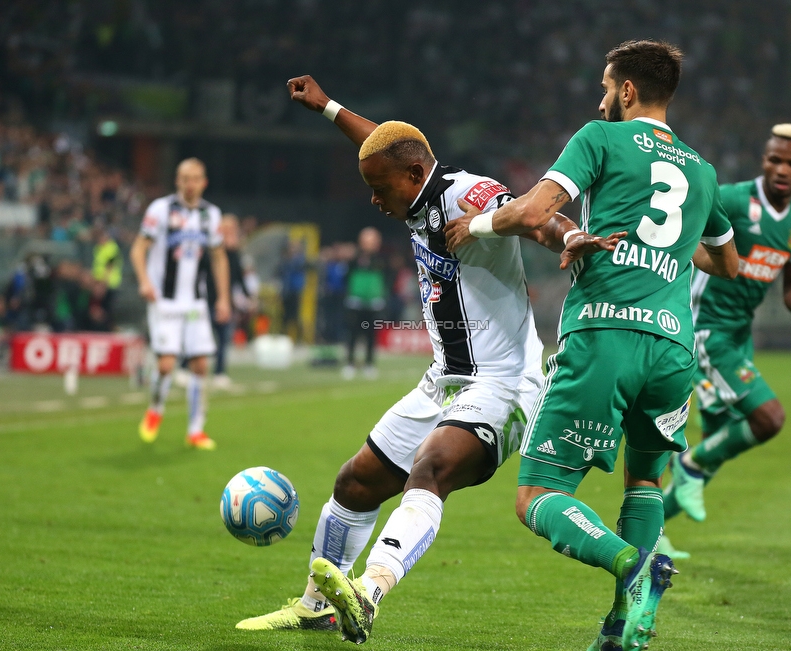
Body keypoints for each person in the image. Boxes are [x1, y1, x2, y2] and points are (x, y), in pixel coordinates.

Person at [235, 74, 618, 643]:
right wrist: (327, 107)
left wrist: (567, 237)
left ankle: (370, 590)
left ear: (414, 177)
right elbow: (386, 146)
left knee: (430, 469)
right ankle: (318, 605)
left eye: (379, 189)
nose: (374, 200)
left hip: (504, 384)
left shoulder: (467, 193)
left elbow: (531, 213)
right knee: (355, 483)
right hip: (443, 381)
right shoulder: (409, 178)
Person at [446, 40, 739, 650]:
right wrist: (671, 250)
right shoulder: (703, 171)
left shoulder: (600, 140)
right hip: (671, 352)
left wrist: (471, 226)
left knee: (537, 495)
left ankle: (633, 566)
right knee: (643, 484)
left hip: (604, 335)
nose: (600, 97)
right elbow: (728, 264)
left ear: (627, 91)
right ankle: (625, 628)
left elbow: (531, 213)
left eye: (607, 86)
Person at [660, 124, 791, 557]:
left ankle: (653, 534)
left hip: (738, 333)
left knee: (720, 438)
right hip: (706, 328)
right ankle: (686, 465)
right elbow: (677, 229)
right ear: (763, 160)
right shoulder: (730, 199)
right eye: (774, 159)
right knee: (767, 419)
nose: (782, 169)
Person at [130, 158, 230, 451]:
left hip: (195, 303)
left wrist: (223, 297)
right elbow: (139, 248)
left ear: (204, 182)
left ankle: (195, 430)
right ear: (177, 181)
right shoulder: (160, 210)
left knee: (200, 365)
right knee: (166, 364)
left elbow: (219, 257)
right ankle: (156, 408)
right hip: (164, 300)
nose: (190, 183)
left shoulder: (210, 215)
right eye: (185, 178)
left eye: (195, 178)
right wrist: (144, 281)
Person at [204, 213, 252, 388]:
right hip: (207, 299)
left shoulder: (234, 253)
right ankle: (187, 368)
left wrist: (247, 296)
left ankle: (219, 372)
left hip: (226, 301)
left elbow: (238, 276)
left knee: (224, 338)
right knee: (201, 337)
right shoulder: (211, 250)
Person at [341, 226, 386, 380]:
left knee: (370, 334)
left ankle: (369, 363)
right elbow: (346, 276)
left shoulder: (381, 259)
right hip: (355, 300)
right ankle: (350, 363)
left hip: (373, 301)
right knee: (353, 333)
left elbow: (385, 277)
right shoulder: (354, 258)